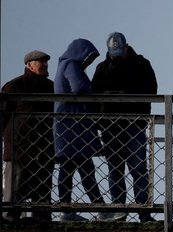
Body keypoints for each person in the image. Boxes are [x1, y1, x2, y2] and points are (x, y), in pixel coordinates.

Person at [92, 32, 159, 223]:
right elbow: (94, 96)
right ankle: (119, 211)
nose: (117, 56)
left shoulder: (141, 64)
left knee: (138, 168)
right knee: (115, 169)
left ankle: (143, 212)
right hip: (110, 126)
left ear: (127, 47)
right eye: (114, 53)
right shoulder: (102, 67)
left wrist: (124, 94)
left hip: (134, 124)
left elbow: (151, 90)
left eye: (119, 52)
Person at [53, 38, 106, 222]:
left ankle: (68, 210)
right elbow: (79, 87)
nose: (88, 62)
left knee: (71, 168)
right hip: (73, 127)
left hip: (70, 126)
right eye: (88, 57)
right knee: (82, 167)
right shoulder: (71, 65)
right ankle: (100, 209)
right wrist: (98, 97)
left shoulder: (65, 65)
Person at [1, 50, 55, 222]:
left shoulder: (50, 86)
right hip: (19, 148)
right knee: (14, 191)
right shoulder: (13, 86)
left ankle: (43, 221)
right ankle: (10, 221)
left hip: (43, 148)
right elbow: (3, 117)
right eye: (41, 62)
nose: (45, 64)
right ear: (29, 65)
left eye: (46, 62)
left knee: (43, 192)